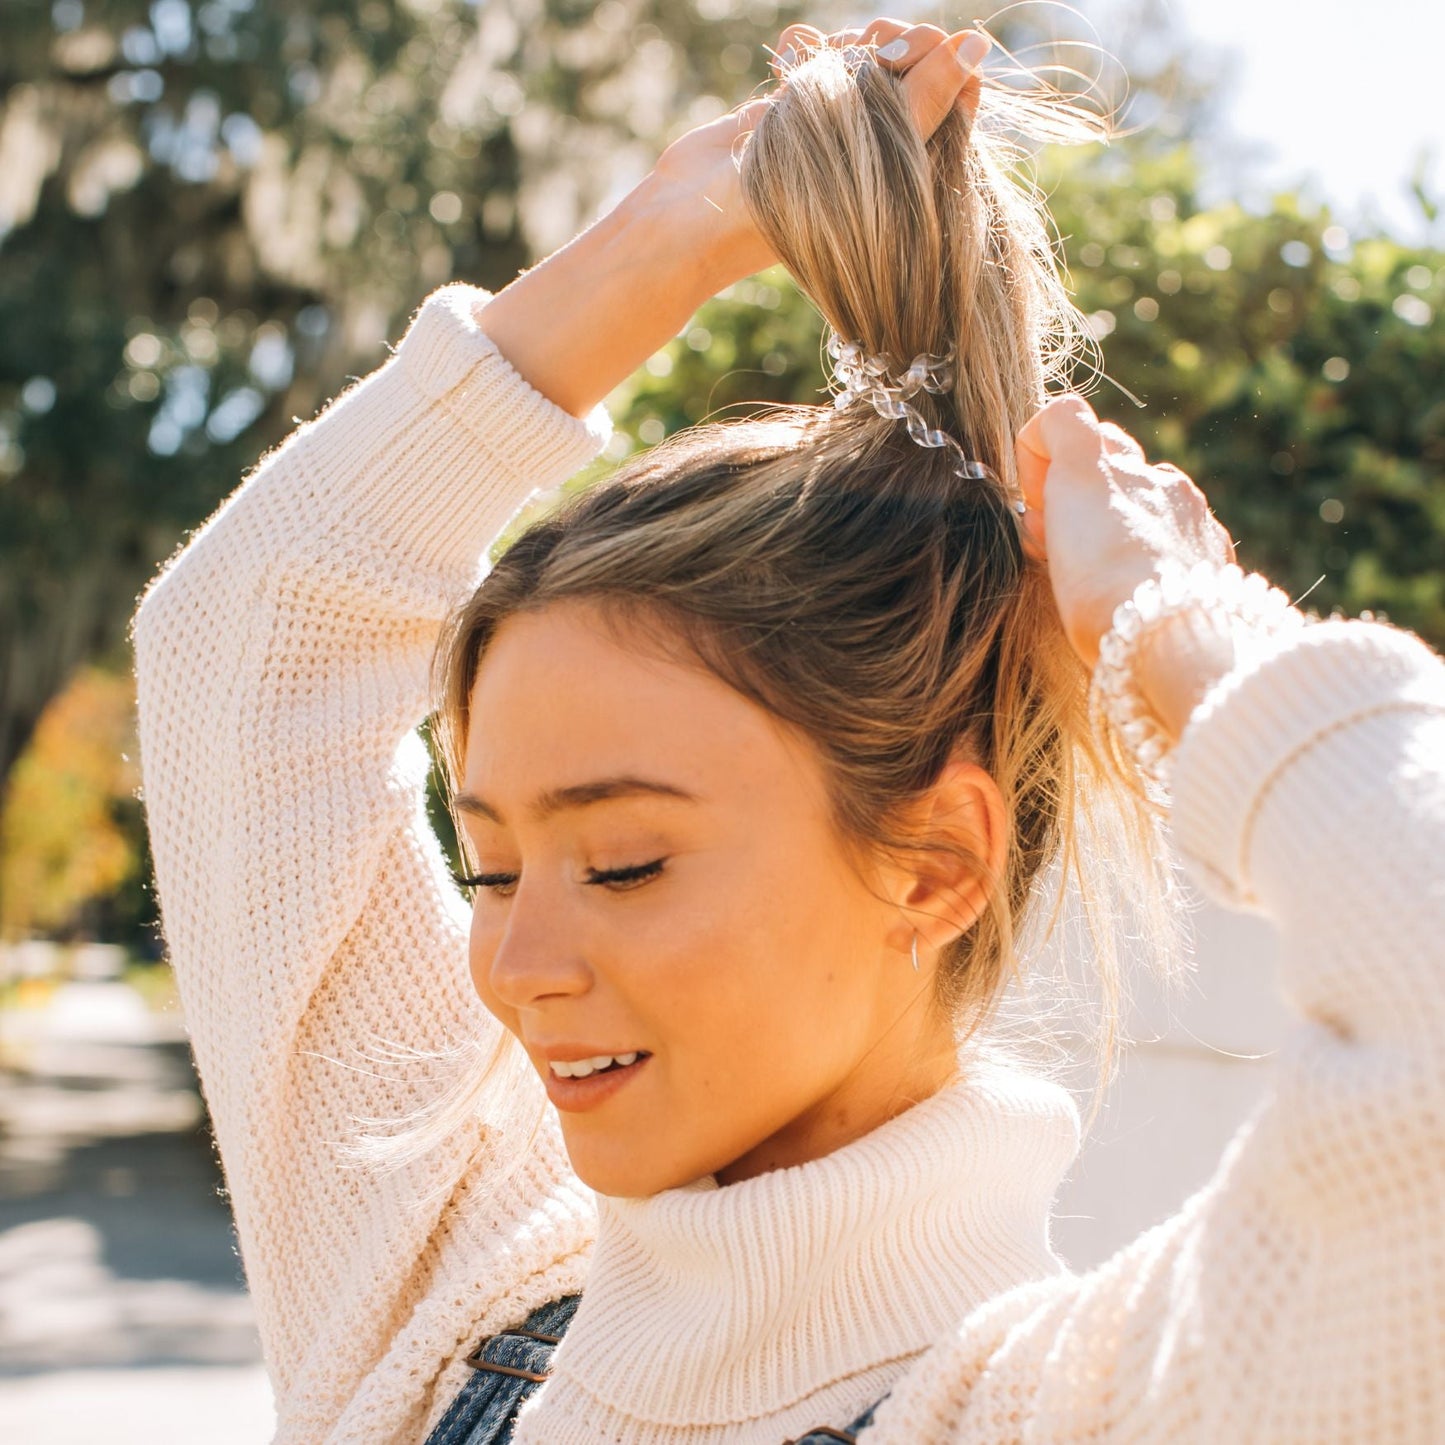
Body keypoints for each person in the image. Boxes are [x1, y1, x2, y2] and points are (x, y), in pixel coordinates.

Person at [130, 17, 1445, 1445]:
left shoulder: (1077, 1411)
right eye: (492, 866)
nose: (514, 970)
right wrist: (669, 234)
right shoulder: (436, 1297)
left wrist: (1174, 619)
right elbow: (242, 649)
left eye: (624, 863)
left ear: (935, 861)